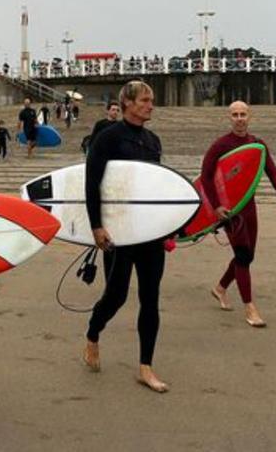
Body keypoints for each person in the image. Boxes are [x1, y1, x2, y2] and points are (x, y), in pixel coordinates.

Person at [81, 81, 169, 393]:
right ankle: (93, 332)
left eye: (152, 100)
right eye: (145, 100)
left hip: (149, 233)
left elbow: (157, 189)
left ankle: (146, 366)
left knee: (151, 298)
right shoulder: (107, 138)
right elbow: (92, 184)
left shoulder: (153, 140)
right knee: (116, 295)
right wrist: (97, 227)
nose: (150, 105)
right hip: (118, 233)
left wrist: (168, 226)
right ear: (128, 103)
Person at [203, 101, 276, 329]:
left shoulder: (256, 144)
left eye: (243, 114)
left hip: (249, 206)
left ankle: (220, 288)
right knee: (243, 255)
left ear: (249, 116)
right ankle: (250, 307)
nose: (239, 118)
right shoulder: (220, 145)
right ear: (229, 117)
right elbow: (205, 178)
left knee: (248, 255)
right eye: (235, 114)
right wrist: (216, 207)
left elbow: (271, 170)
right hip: (230, 210)